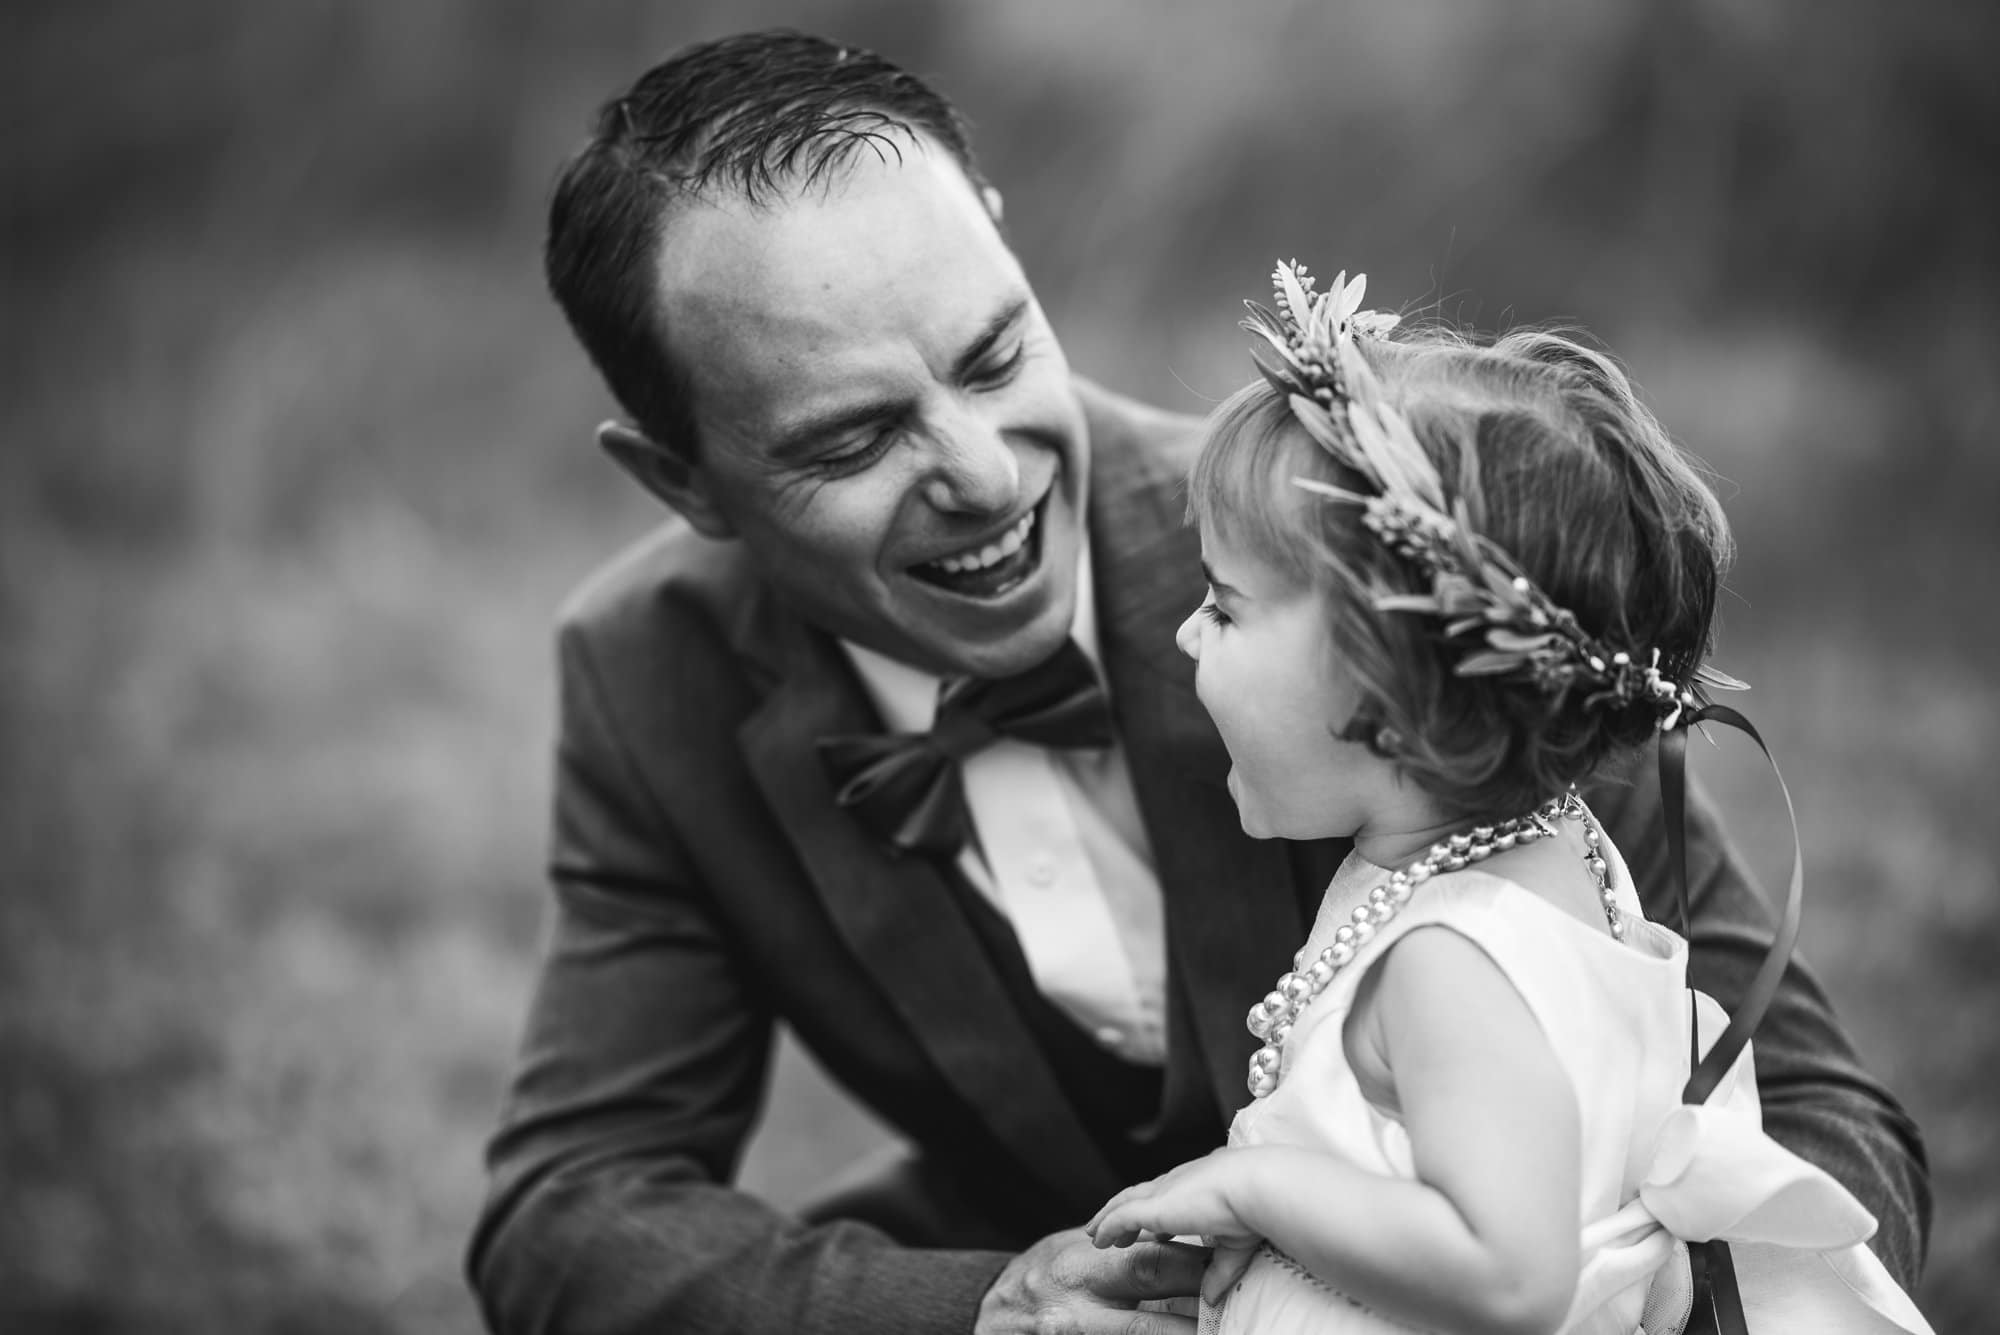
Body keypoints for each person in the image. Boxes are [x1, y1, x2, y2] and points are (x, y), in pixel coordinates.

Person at [467, 30, 1929, 1335]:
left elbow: (1805, 1101)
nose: (982, 477)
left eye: (993, 356)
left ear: (1002, 240)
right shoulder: (646, 667)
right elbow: (569, 1207)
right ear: (683, 482)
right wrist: (990, 1304)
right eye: (851, 442)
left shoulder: (1399, 562)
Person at [1083, 266, 1936, 1334]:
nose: (1184, 633)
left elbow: (1509, 1275)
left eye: (1223, 606)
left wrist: (1253, 1187)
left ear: (1384, 697)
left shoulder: (1448, 964)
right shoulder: (1560, 850)